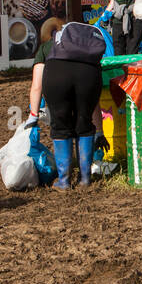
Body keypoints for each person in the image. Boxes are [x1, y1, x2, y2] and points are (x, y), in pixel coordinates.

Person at [41, 25, 105, 189]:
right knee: (84, 123)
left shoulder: (48, 46)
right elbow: (95, 103)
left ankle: (64, 181)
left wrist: (34, 115)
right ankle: (85, 180)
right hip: (89, 74)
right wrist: (100, 131)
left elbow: (36, 86)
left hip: (57, 74)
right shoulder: (88, 48)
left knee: (60, 123)